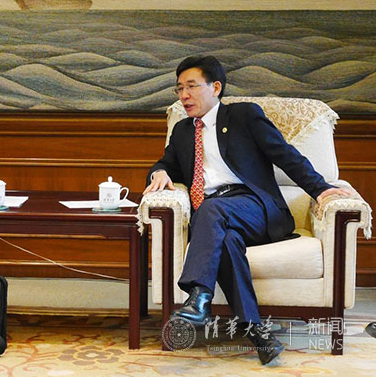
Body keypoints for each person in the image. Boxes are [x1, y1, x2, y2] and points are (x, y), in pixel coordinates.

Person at [144, 55, 351, 365]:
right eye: (179, 89)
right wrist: (158, 172)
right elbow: (165, 163)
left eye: (191, 86)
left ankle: (199, 297)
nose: (184, 95)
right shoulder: (183, 131)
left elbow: (285, 155)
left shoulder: (244, 116)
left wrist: (320, 189)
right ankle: (259, 335)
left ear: (215, 87)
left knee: (211, 211)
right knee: (226, 241)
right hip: (215, 219)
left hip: (255, 206)